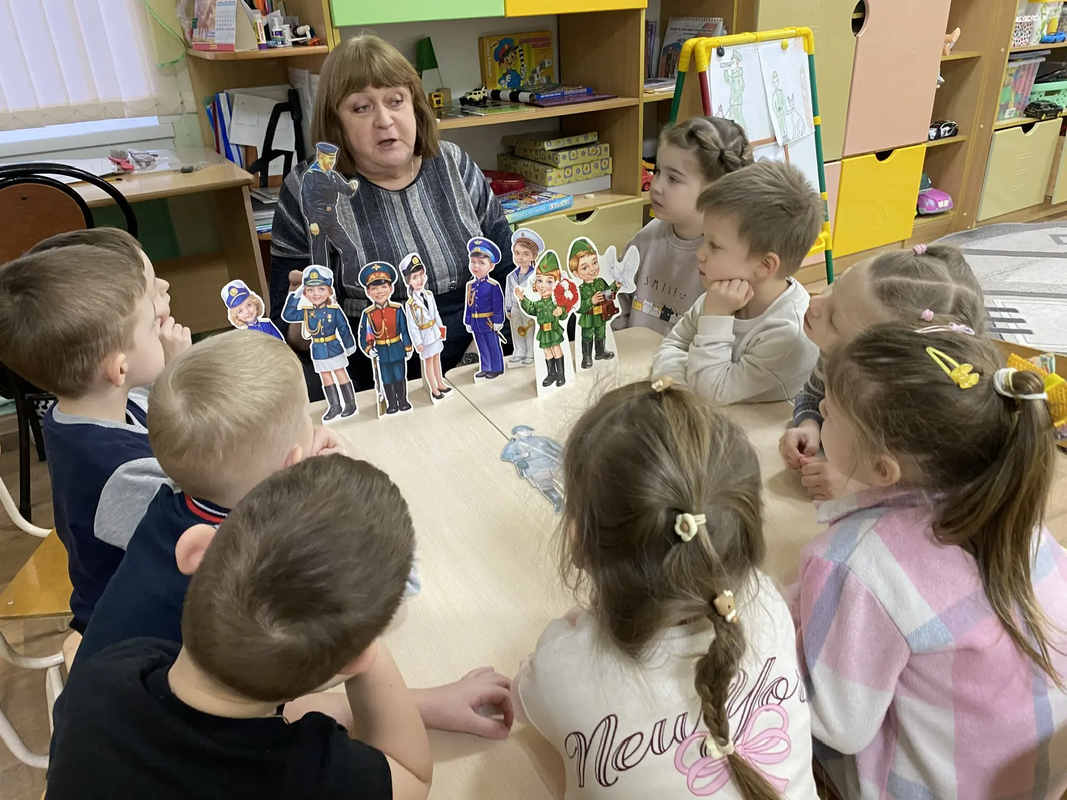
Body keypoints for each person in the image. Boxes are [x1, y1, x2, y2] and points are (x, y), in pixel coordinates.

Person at [73, 331, 509, 740]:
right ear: (294, 462)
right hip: (179, 742)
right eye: (308, 416)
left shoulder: (170, 499)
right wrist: (348, 468)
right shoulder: (265, 555)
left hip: (100, 718)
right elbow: (394, 593)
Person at [47, 455, 433, 800]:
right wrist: (371, 653)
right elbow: (412, 776)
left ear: (196, 550)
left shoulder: (107, 673)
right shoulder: (305, 775)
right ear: (354, 660)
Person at [795, 325, 1067, 798]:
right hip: (1035, 778)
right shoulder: (1015, 515)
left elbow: (835, 723)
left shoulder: (854, 563)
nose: (820, 409)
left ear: (883, 469)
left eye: (831, 413)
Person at [512, 379, 817, 799]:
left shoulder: (561, 666)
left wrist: (574, 629)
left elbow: (521, 701)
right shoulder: (766, 601)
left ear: (577, 539)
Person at [269, 34, 514, 396]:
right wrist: (303, 320)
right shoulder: (307, 189)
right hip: (371, 374)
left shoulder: (454, 164)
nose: (384, 120)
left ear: (414, 106)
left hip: (476, 352)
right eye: (361, 108)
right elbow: (286, 334)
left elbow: (509, 273)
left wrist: (474, 361)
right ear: (336, 124)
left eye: (395, 101)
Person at [0, 233, 190, 632]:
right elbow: (210, 537)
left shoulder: (75, 410)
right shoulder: (123, 474)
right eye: (152, 326)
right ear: (119, 369)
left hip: (138, 598)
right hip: (142, 632)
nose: (161, 326)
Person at [778, 243, 985, 501]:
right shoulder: (836, 357)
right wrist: (809, 425)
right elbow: (812, 394)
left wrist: (858, 486)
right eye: (834, 286)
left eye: (834, 320)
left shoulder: (918, 410)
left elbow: (936, 491)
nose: (815, 301)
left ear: (879, 363)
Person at [652, 160, 822, 405]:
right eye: (704, 238)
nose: (700, 253)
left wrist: (717, 317)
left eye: (714, 245)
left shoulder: (787, 334)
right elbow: (674, 344)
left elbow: (709, 392)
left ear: (765, 265)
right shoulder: (723, 293)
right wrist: (677, 382)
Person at [615, 117, 751, 335]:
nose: (656, 186)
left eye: (673, 179)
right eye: (658, 171)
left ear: (715, 190)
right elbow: (617, 308)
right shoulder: (645, 239)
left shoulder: (727, 260)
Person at [282, 265, 358, 422]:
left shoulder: (334, 310)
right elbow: (289, 315)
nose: (316, 294)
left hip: (334, 346)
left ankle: (350, 403)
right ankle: (335, 405)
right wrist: (295, 296)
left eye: (321, 289)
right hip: (318, 348)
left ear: (329, 291)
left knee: (340, 373)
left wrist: (349, 344)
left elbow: (343, 327)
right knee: (325, 377)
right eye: (310, 290)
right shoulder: (307, 312)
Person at [357, 261, 414, 414]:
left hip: (397, 348)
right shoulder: (368, 314)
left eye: (383, 287)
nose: (379, 291)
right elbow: (363, 335)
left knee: (400, 375)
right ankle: (392, 404)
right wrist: (368, 349)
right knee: (386, 378)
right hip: (381, 351)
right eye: (374, 288)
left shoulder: (397, 309)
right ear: (368, 292)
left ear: (391, 289)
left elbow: (404, 329)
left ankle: (403, 401)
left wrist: (408, 346)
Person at [301, 141, 361, 269]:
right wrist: (312, 221)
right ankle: (321, 279)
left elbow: (346, 190)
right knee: (319, 254)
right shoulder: (310, 176)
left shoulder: (333, 175)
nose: (333, 162)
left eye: (334, 158)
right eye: (330, 158)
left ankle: (352, 278)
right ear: (321, 156)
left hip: (332, 217)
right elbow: (307, 199)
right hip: (318, 216)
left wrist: (352, 186)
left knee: (350, 249)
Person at [514, 252, 569, 388]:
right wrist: (522, 299)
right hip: (543, 331)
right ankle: (551, 373)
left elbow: (564, 312)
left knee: (556, 349)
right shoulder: (538, 303)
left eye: (549, 281)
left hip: (554, 330)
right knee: (547, 352)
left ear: (557, 283)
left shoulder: (556, 302)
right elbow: (531, 308)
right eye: (539, 280)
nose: (543, 286)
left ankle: (561, 374)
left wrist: (561, 311)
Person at [401, 253, 450, 400]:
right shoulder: (411, 304)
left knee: (437, 359)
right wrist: (418, 343)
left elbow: (436, 314)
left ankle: (440, 383)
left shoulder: (428, 294)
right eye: (414, 277)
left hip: (434, 332)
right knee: (428, 362)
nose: (420, 279)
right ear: (408, 281)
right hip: (425, 335)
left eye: (421, 274)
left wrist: (441, 330)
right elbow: (412, 326)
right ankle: (434, 389)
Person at [571, 237, 620, 369]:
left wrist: (615, 286)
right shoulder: (580, 289)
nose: (592, 269)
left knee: (601, 332)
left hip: (601, 315)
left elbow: (608, 294)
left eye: (594, 263)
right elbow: (577, 307)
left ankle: (600, 351)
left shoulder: (600, 282)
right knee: (587, 335)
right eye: (585, 267)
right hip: (588, 317)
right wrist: (590, 301)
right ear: (576, 273)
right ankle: (586, 357)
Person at [464, 237, 505, 379]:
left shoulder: (493, 286)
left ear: (491, 266)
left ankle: (496, 368)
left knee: (492, 344)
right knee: (481, 345)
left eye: (481, 263)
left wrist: (498, 321)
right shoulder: (470, 285)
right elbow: (469, 305)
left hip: (488, 321)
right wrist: (468, 321)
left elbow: (498, 305)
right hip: (476, 322)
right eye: (473, 262)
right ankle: (486, 367)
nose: (476, 266)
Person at [505, 229, 542, 367]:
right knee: (516, 330)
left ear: (533, 256)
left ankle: (531, 353)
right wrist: (508, 308)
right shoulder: (511, 276)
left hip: (529, 307)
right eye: (517, 253)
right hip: (515, 307)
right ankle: (520, 352)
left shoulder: (536, 276)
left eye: (526, 254)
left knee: (530, 330)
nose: (520, 258)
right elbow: (508, 293)